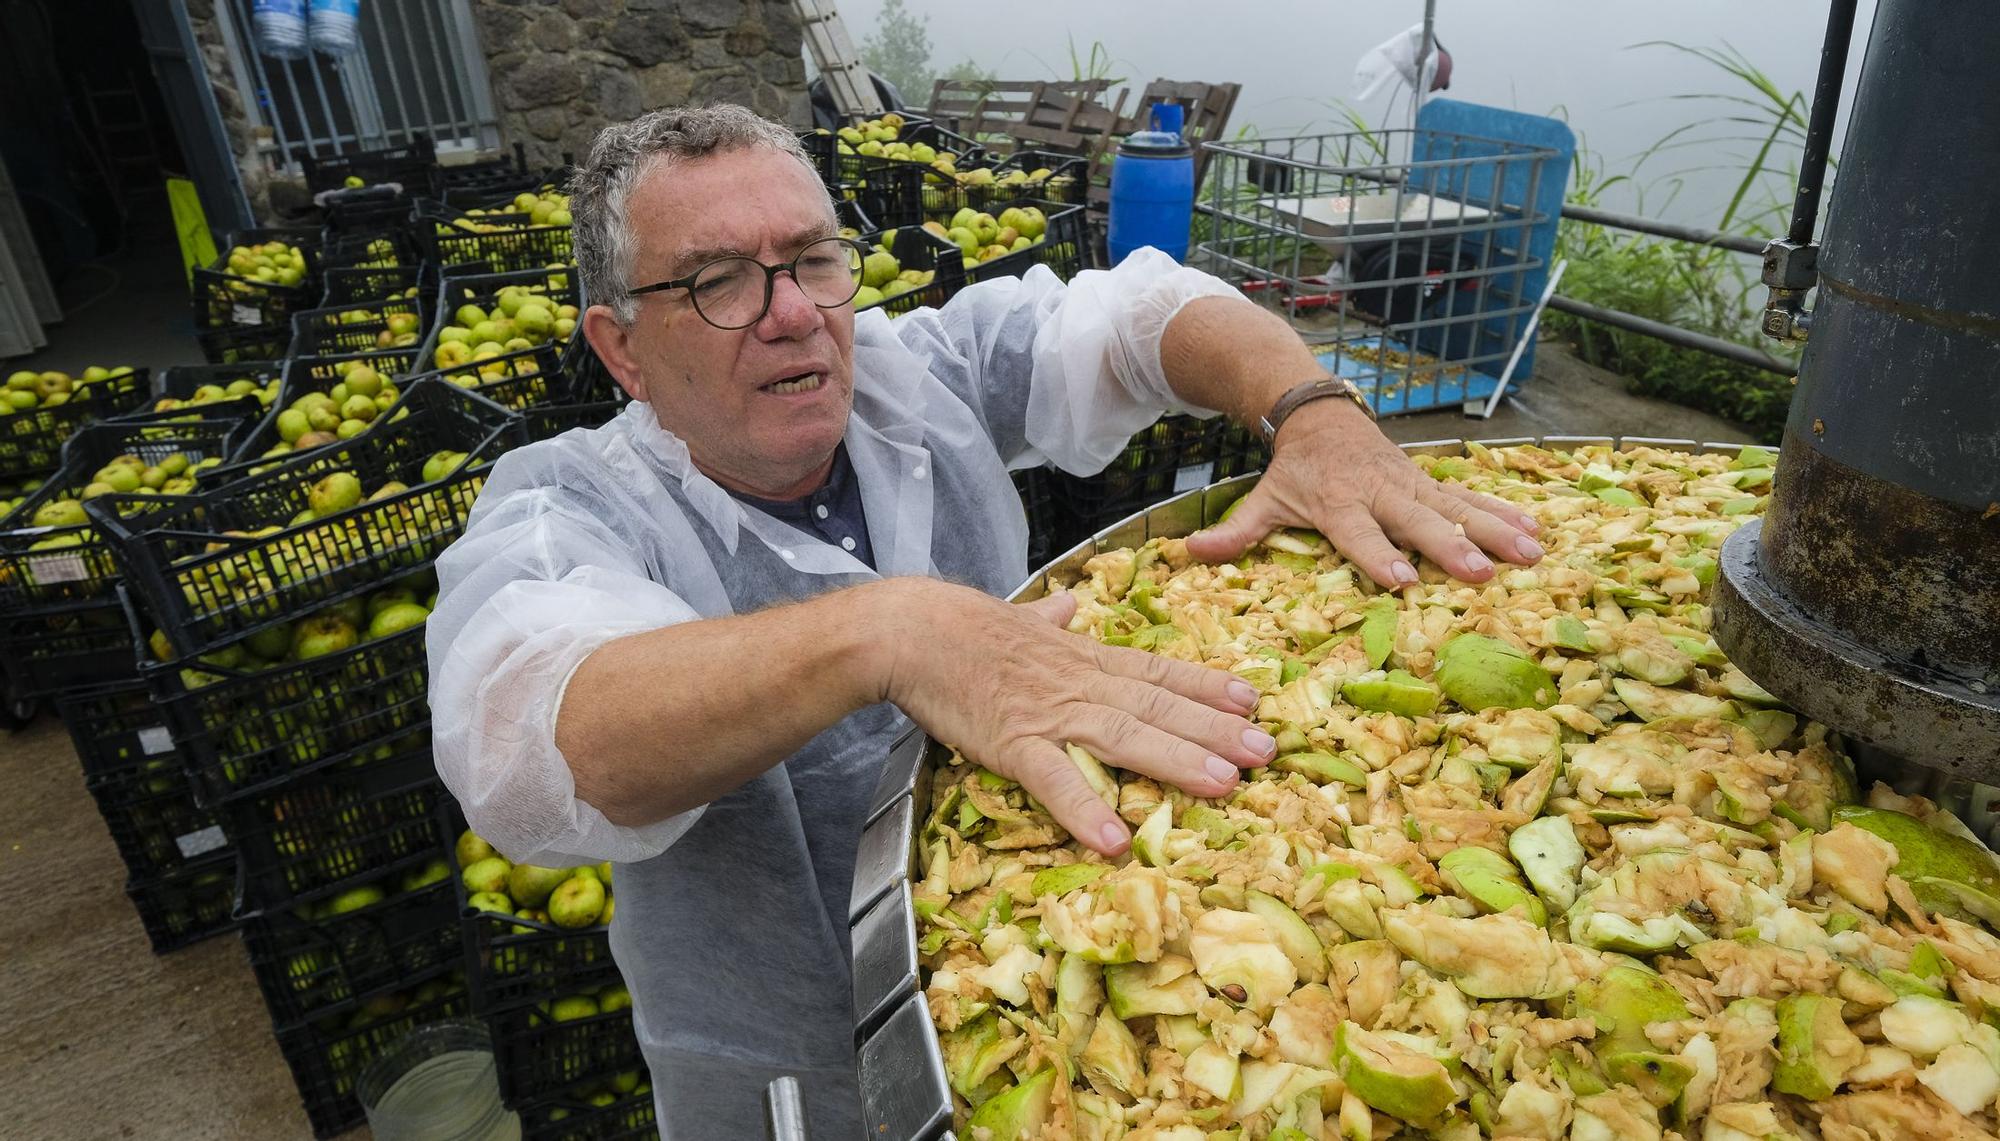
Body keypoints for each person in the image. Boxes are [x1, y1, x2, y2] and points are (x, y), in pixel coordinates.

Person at [427, 104, 1543, 1139]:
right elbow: (528, 744)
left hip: (1035, 988)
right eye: (718, 282)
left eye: (814, 262)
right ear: (620, 345)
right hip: (786, 1065)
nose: (792, 315)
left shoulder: (914, 381)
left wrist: (1310, 409)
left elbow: (1139, 314)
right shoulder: (568, 504)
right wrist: (891, 633)